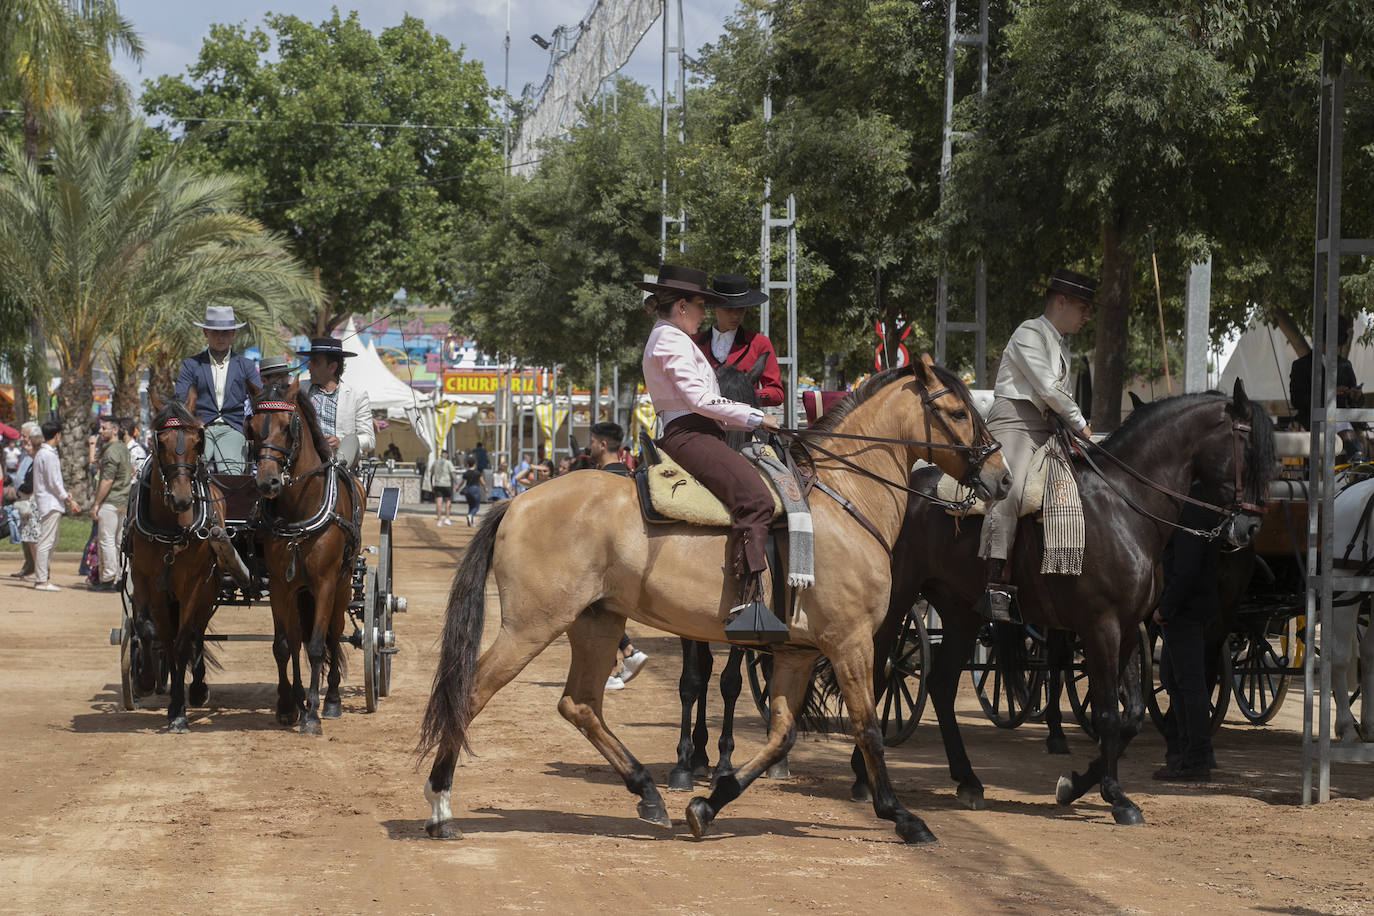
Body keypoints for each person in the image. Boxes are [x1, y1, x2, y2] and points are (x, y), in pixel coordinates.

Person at [637, 263, 782, 640]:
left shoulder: (672, 337)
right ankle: (749, 605)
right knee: (756, 499)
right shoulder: (670, 339)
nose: (705, 314)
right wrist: (756, 418)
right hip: (689, 433)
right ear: (682, 306)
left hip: (698, 430)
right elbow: (701, 400)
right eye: (702, 306)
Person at [978, 268, 1096, 622]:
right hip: (1014, 424)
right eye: (1083, 307)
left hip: (1047, 429)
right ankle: (994, 582)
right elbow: (1047, 389)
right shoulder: (1029, 332)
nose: (1087, 316)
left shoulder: (1059, 344)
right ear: (1061, 301)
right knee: (1008, 489)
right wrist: (1081, 424)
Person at [1152, 489, 1222, 781]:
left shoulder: (1190, 512)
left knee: (1189, 683)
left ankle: (1197, 759)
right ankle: (1186, 752)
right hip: (1194, 607)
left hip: (1184, 610)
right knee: (1172, 676)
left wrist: (1164, 609)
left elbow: (1186, 570)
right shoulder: (1201, 507)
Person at [587, 420, 652, 689]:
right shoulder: (630, 475)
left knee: (592, 606)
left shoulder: (603, 480)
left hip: (608, 558)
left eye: (591, 441)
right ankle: (621, 660)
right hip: (628, 556)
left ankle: (619, 662)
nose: (589, 446)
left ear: (602, 445)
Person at [175, 305, 261, 473]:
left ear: (233, 334)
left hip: (233, 428)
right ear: (206, 333)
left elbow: (259, 399)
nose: (220, 337)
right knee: (189, 472)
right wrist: (193, 421)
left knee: (231, 475)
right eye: (215, 332)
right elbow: (180, 398)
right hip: (198, 428)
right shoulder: (191, 365)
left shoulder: (246, 366)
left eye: (225, 332)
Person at [691, 273, 784, 406]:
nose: (735, 315)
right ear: (714, 307)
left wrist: (744, 395)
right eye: (728, 309)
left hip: (744, 422)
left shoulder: (759, 343)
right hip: (704, 422)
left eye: (741, 309)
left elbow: (777, 393)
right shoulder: (693, 343)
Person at [1290, 314, 1363, 460]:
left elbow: (1357, 400)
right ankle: (1357, 462)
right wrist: (1329, 393)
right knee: (1341, 428)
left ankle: (1355, 464)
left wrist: (1355, 396)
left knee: (1344, 426)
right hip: (1314, 419)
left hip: (1343, 417)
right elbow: (1297, 399)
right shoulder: (1301, 366)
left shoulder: (1345, 365)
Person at [297, 337, 374, 469]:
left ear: (332, 367)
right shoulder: (298, 389)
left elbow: (369, 439)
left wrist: (342, 442)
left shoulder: (357, 396)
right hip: (303, 464)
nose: (308, 367)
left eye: (315, 362)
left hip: (340, 466)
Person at [32, 419, 81, 591]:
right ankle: (41, 579)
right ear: (57, 435)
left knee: (50, 541)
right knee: (46, 541)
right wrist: (69, 499)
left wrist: (65, 496)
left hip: (49, 500)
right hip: (50, 502)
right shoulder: (48, 454)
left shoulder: (43, 453)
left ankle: (43, 576)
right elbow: (54, 482)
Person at [89, 416, 131, 592]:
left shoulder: (111, 450)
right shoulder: (123, 448)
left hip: (111, 501)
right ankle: (122, 577)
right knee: (120, 542)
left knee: (106, 540)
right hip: (124, 499)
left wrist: (96, 504)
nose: (100, 431)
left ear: (115, 430)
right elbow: (132, 471)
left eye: (103, 428)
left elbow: (107, 480)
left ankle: (107, 578)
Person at [431, 449, 455, 526]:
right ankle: (447, 518)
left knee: (438, 502)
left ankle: (439, 520)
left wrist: (432, 484)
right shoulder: (448, 462)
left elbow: (431, 474)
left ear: (441, 454)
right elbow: (452, 474)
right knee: (448, 501)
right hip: (447, 484)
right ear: (447, 455)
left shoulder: (435, 462)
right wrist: (456, 483)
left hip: (437, 484)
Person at [459, 457, 484, 527]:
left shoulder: (466, 473)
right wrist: (485, 488)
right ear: (474, 464)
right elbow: (482, 482)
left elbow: (462, 482)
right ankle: (470, 515)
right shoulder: (477, 473)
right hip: (475, 489)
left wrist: (457, 487)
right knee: (476, 506)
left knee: (470, 506)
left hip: (468, 490)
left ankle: (470, 522)